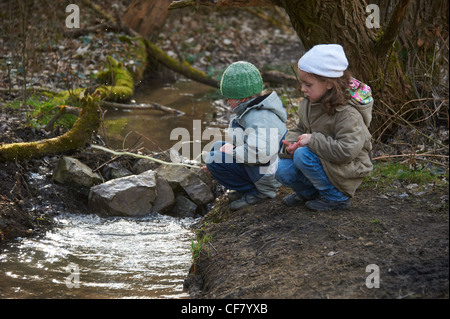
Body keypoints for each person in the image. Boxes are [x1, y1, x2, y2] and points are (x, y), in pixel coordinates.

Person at [275, 44, 374, 211]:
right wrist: (292, 142)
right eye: (302, 83)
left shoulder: (348, 114)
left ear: (328, 84)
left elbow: (347, 151)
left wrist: (312, 140)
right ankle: (310, 193)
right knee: (281, 169)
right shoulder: (309, 103)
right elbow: (300, 128)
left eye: (308, 84)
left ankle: (336, 197)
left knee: (303, 155)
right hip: (322, 160)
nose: (302, 89)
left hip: (347, 167)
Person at [205, 61, 287, 210]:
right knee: (217, 147)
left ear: (240, 99)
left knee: (214, 158)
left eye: (228, 98)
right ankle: (245, 188)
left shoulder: (260, 118)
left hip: (267, 174)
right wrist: (233, 149)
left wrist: (233, 152)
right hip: (262, 166)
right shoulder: (251, 112)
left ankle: (257, 192)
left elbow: (261, 153)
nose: (227, 102)